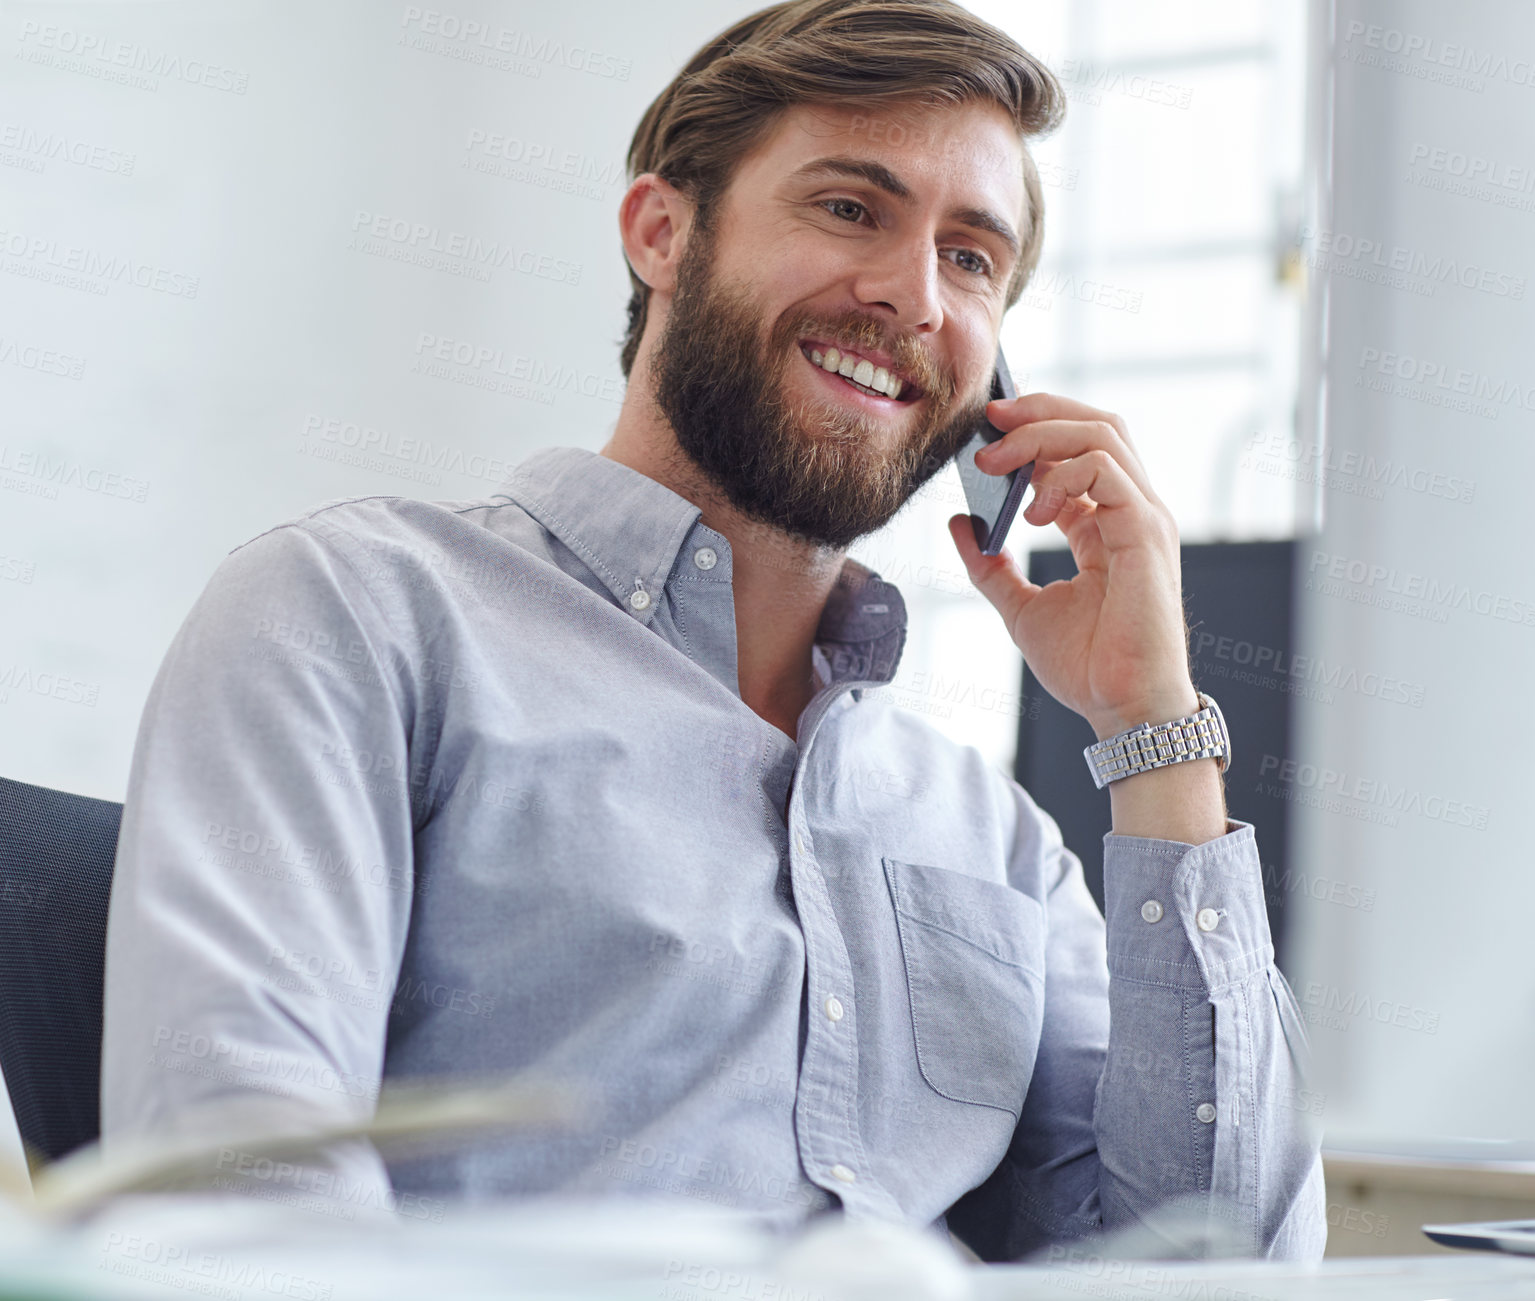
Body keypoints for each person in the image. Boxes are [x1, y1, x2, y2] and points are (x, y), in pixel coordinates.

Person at [101, 0, 1325, 1259]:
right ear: (662, 234)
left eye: (969, 259)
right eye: (850, 208)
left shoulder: (995, 841)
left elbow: (1220, 1263)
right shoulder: (354, 621)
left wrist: (1151, 726)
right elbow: (242, 1213)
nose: (911, 296)